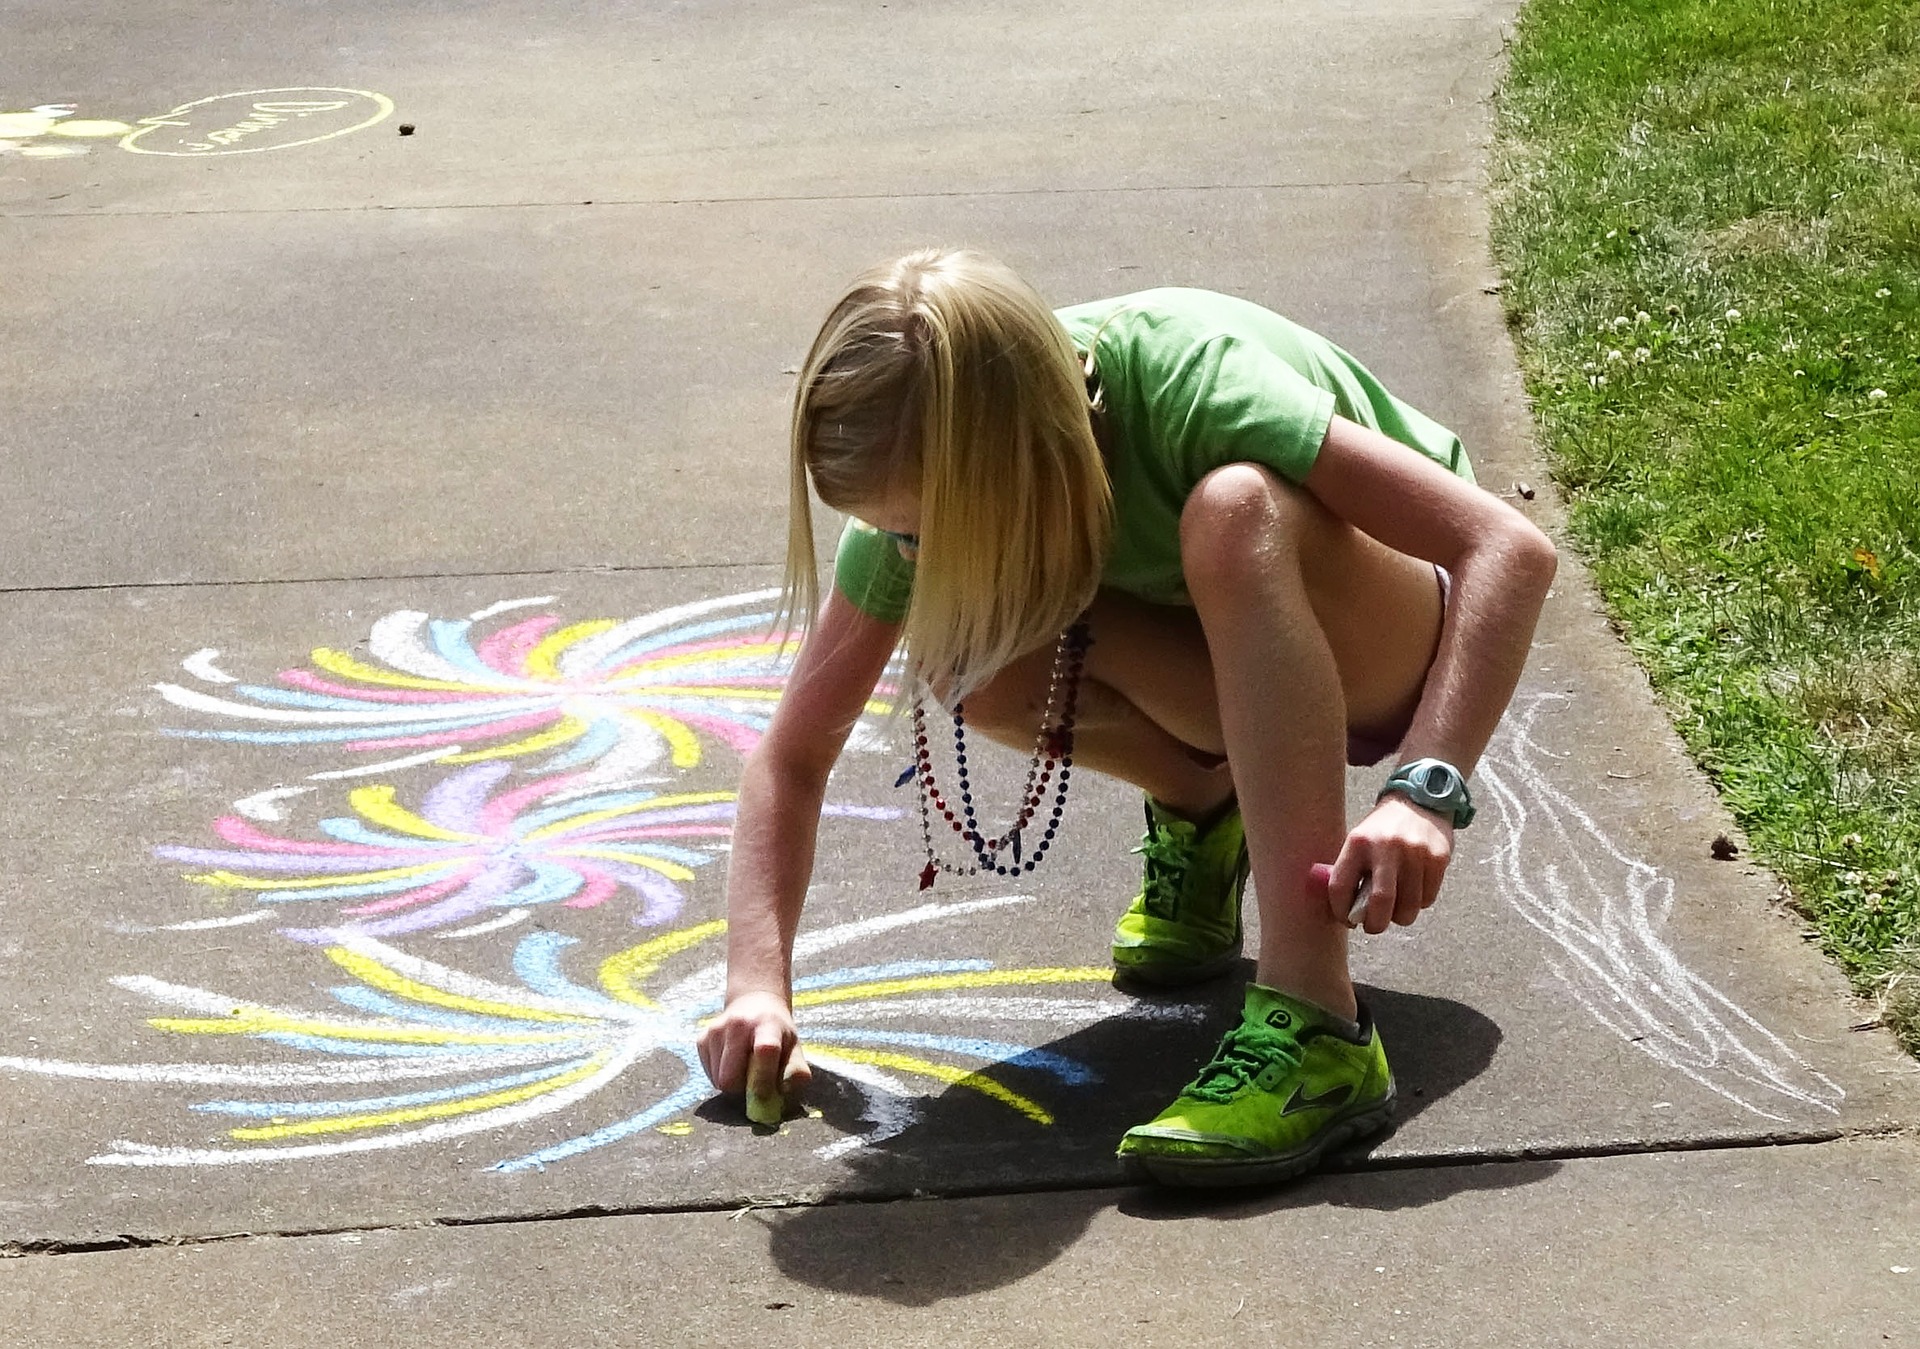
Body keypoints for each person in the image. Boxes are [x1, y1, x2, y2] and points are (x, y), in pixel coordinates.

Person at [696, 247, 1556, 1186]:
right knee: (967, 646)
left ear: (1020, 457)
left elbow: (1507, 548)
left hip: (1389, 638)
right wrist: (757, 987)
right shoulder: (941, 461)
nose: (911, 551)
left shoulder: (1190, 381)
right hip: (1228, 657)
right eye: (898, 531)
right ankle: (1206, 810)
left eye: (927, 527)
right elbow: (792, 759)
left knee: (1233, 510)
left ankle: (1318, 1023)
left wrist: (1424, 791)